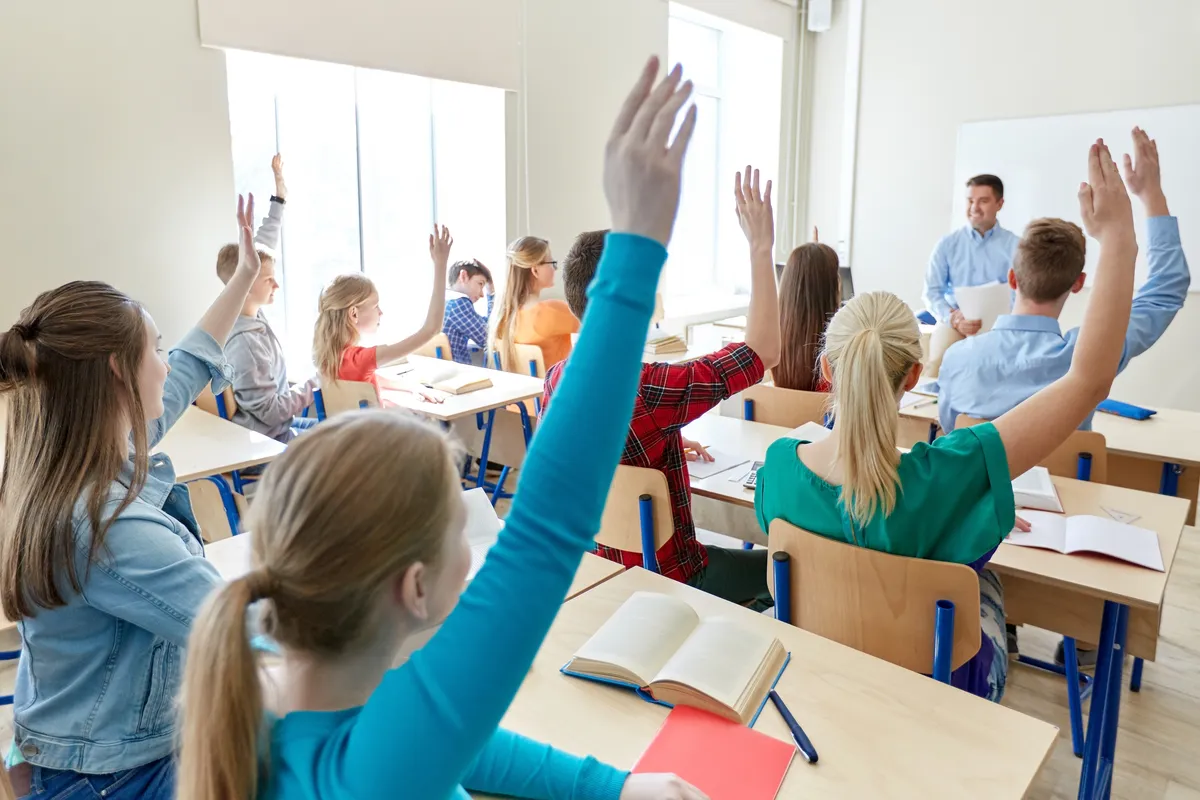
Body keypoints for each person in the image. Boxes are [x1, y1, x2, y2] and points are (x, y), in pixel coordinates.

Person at [177, 57, 709, 800]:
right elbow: (548, 522)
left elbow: (461, 743)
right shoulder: (368, 773)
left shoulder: (275, 660)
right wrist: (636, 249)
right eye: (459, 526)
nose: (479, 525)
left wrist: (614, 789)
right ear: (415, 588)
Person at [754, 138, 1140, 702]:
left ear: (829, 366)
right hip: (937, 691)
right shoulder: (951, 473)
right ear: (915, 377)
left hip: (819, 677)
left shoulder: (779, 467)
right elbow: (1088, 380)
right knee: (982, 585)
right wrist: (1119, 239)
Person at [0, 196, 267, 799]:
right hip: (117, 775)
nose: (167, 363)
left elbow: (193, 363)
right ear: (121, 373)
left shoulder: (65, 454)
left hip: (76, 747)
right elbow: (242, 628)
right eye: (156, 348)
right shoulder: (105, 526)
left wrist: (245, 277)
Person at [543, 166, 780, 609]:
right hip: (674, 581)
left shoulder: (555, 379)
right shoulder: (648, 390)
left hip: (601, 573)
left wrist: (661, 437)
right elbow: (765, 351)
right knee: (791, 570)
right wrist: (760, 247)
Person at [939, 127, 1189, 434]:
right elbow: (1167, 289)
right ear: (1077, 283)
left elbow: (950, 436)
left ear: (1012, 279)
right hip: (1063, 484)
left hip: (983, 483)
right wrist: (1151, 194)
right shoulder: (1090, 354)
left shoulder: (958, 359)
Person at [218, 154, 317, 442]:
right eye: (268, 279)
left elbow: (264, 245)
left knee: (347, 431)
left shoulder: (246, 311)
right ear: (246, 283)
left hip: (279, 430)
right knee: (344, 445)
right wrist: (316, 381)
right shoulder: (245, 343)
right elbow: (273, 413)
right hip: (271, 440)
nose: (276, 283)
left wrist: (279, 198)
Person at [312, 225, 452, 397]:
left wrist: (412, 387)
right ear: (353, 314)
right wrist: (441, 264)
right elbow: (432, 329)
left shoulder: (332, 358)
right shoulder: (361, 359)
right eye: (375, 306)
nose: (381, 312)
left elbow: (372, 377)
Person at [922, 174, 1021, 377]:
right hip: (956, 323)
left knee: (1005, 372)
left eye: (983, 201)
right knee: (937, 364)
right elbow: (931, 293)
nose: (974, 207)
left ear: (999, 204)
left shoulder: (1016, 247)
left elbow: (1022, 295)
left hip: (999, 328)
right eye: (970, 200)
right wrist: (954, 319)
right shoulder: (947, 244)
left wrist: (1002, 325)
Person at [491, 236, 580, 372]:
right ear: (535, 270)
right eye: (552, 262)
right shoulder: (551, 311)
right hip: (557, 391)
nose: (554, 269)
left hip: (528, 393)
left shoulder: (503, 317)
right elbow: (598, 325)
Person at [774, 242, 841, 392]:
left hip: (783, 413)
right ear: (830, 289)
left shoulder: (772, 342)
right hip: (823, 415)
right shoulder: (838, 352)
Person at [443, 258, 494, 364]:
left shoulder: (444, 302)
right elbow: (490, 339)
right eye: (480, 284)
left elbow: (489, 325)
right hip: (456, 374)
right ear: (463, 276)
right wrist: (491, 292)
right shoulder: (459, 304)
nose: (481, 294)